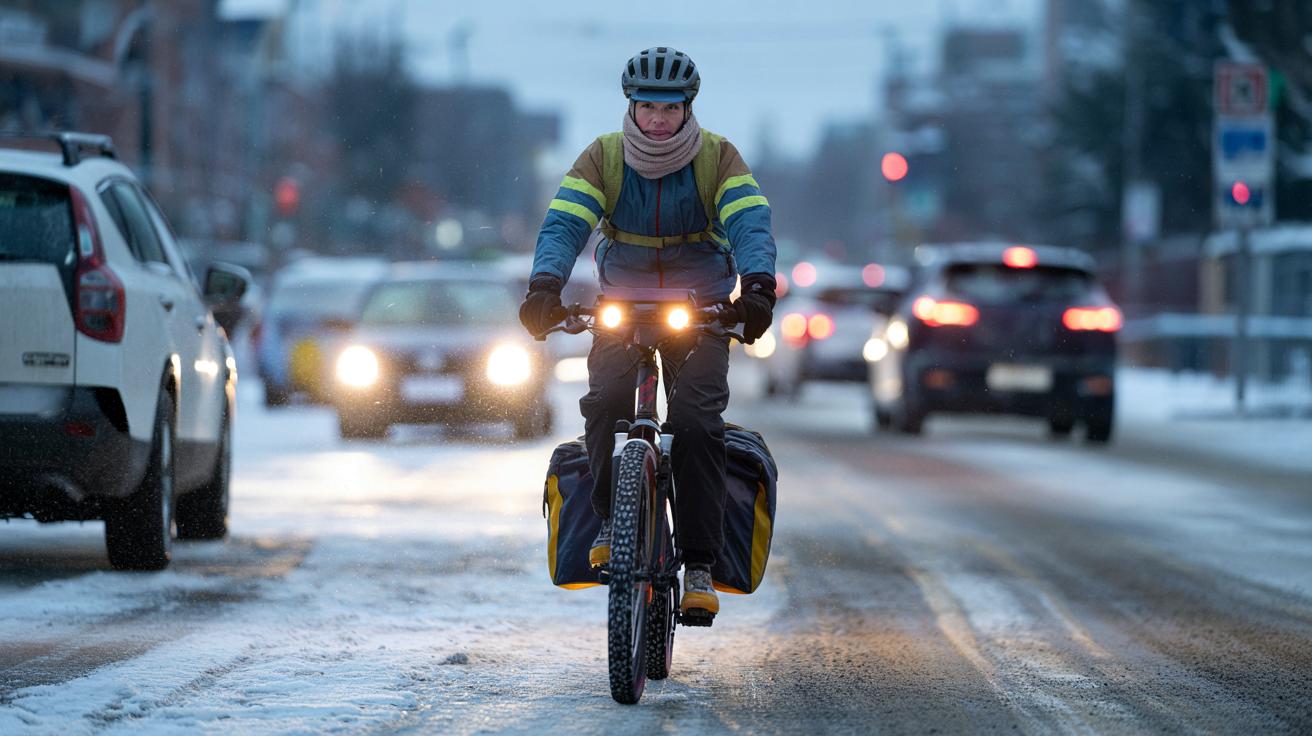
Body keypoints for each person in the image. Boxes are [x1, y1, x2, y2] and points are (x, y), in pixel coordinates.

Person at [519, 46, 777, 619]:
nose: (658, 118)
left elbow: (748, 220)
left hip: (702, 309)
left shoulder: (717, 158)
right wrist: (544, 285)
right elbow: (565, 223)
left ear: (688, 109)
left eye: (670, 107)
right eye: (647, 106)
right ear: (630, 107)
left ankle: (702, 563)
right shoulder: (604, 158)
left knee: (694, 423)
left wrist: (757, 287)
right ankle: (614, 519)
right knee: (605, 402)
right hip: (624, 307)